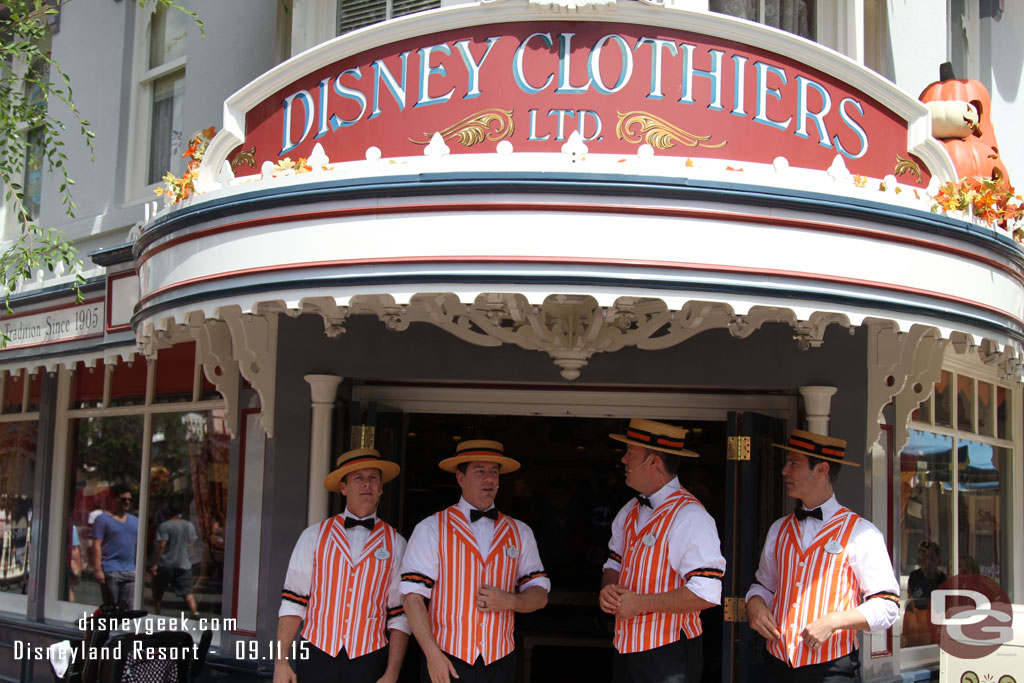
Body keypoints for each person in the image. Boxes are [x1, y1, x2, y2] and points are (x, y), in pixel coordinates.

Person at [746, 430, 900, 682]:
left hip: (832, 670)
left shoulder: (861, 533)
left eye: (794, 463)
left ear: (822, 469)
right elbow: (764, 586)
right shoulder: (779, 529)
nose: (785, 470)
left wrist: (834, 621)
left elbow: (888, 605)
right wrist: (755, 605)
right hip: (776, 666)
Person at [401, 440, 549, 683]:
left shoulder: (520, 532)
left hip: (501, 661)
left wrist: (510, 600)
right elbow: (412, 597)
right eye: (480, 471)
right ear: (461, 478)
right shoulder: (432, 528)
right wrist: (432, 654)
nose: (489, 479)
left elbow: (540, 595)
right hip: (446, 658)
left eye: (494, 472)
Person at [599, 418, 726, 683]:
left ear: (654, 462)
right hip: (625, 646)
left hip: (669, 652)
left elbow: (707, 594)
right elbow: (614, 563)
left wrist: (640, 603)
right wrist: (608, 589)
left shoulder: (690, 516)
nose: (623, 460)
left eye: (630, 454)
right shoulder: (629, 510)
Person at [274, 447, 409, 683]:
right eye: (358, 478)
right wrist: (280, 662)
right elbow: (293, 603)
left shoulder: (397, 543)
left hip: (370, 658)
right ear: (344, 488)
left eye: (373, 478)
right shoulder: (313, 536)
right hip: (316, 654)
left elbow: (399, 616)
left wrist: (392, 673)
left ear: (381, 488)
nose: (367, 484)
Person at [91, 483, 139, 607]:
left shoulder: (135, 521)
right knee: (111, 608)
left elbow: (139, 546)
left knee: (128, 609)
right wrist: (98, 570)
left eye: (130, 500)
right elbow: (96, 545)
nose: (127, 502)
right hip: (111, 570)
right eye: (123, 500)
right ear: (114, 499)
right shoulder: (102, 520)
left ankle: (120, 627)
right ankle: (107, 627)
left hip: (131, 571)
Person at [149, 502, 200, 616]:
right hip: (184, 563)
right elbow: (192, 544)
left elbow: (162, 545)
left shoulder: (165, 526)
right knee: (187, 592)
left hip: (166, 564)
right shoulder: (189, 525)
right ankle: (195, 612)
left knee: (158, 592)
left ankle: (157, 613)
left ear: (169, 511)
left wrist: (155, 564)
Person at [908, 541, 945, 610]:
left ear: (939, 561)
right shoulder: (914, 577)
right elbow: (910, 602)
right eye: (924, 558)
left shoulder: (942, 580)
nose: (927, 563)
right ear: (919, 560)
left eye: (931, 558)